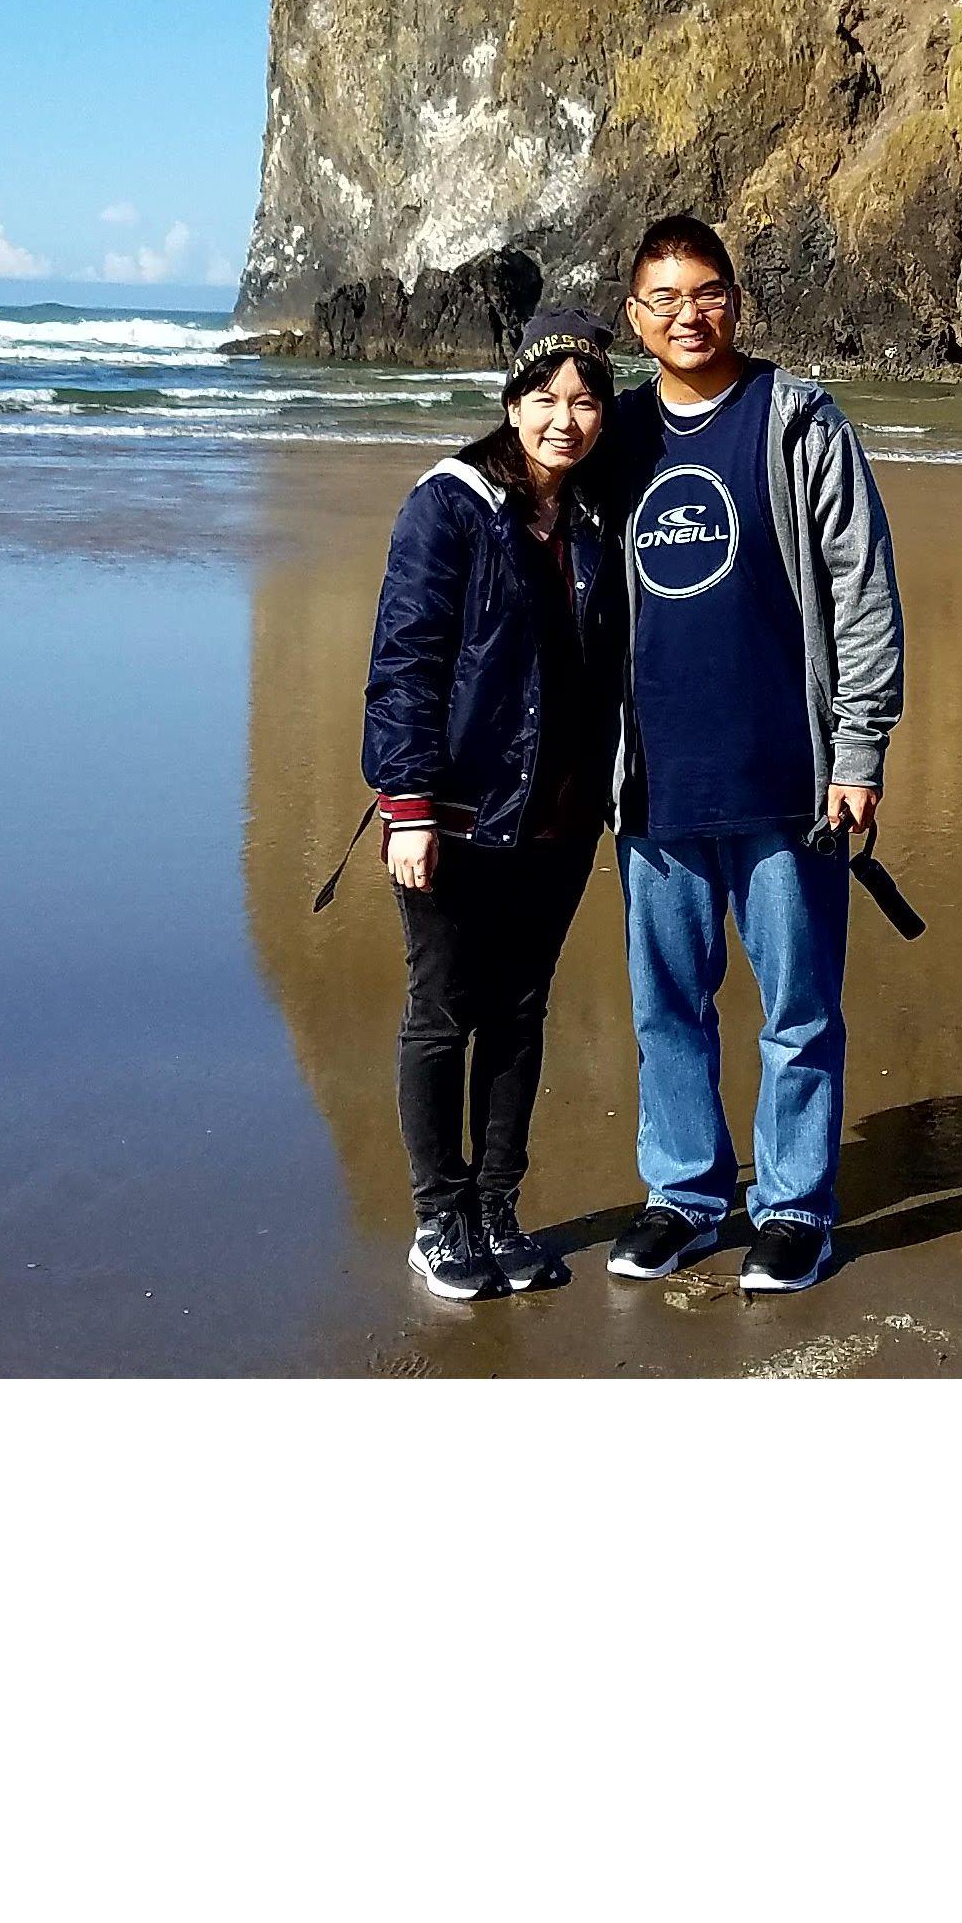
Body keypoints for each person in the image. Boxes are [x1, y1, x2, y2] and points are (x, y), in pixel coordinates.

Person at [594, 213, 904, 1295]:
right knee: (666, 1007)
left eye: (708, 291)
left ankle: (792, 1210)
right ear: (634, 318)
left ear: (737, 298)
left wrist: (857, 753)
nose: (690, 314)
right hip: (655, 786)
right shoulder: (617, 436)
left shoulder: (796, 418)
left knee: (800, 1008)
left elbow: (863, 591)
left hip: (788, 781)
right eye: (665, 298)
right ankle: (684, 1194)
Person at [361, 327, 629, 1304]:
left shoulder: (595, 518)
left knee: (519, 1013)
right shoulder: (451, 506)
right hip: (460, 812)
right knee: (444, 1012)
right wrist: (409, 806)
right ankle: (440, 1219)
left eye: (587, 401)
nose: (567, 420)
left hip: (557, 816)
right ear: (511, 403)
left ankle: (498, 1208)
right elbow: (405, 661)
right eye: (547, 399)